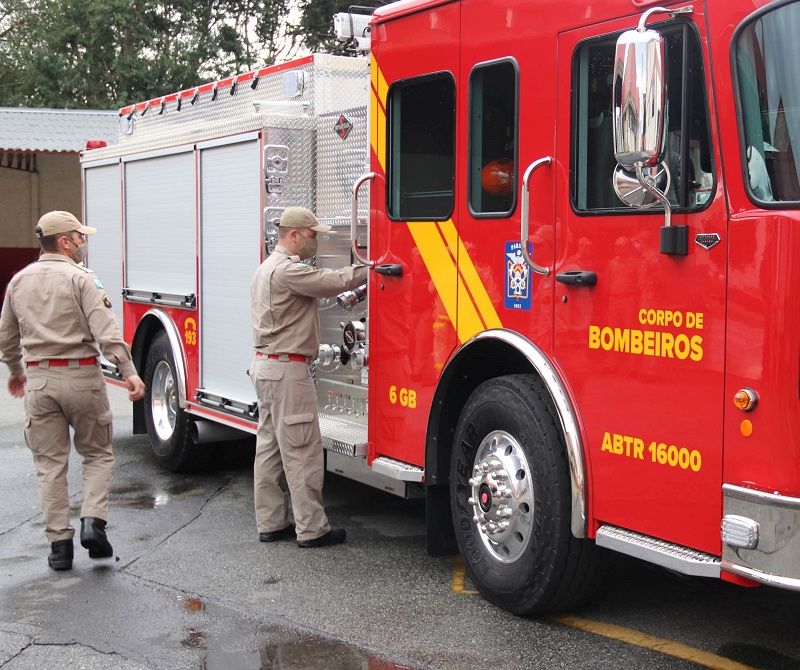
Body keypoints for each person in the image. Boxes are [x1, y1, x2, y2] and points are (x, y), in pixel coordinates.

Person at [0, 211, 146, 571]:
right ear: (64, 241)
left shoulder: (18, 281)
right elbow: (106, 331)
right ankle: (93, 523)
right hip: (81, 376)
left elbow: (7, 335)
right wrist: (129, 372)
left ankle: (59, 548)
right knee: (97, 454)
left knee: (50, 466)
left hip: (40, 380)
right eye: (79, 237)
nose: (83, 243)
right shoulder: (83, 279)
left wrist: (16, 370)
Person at [250, 207, 368, 548]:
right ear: (295, 235)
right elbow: (333, 282)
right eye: (313, 234)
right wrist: (369, 268)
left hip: (267, 366)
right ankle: (312, 529)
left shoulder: (265, 269)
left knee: (270, 449)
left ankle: (272, 523)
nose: (317, 240)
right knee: (302, 450)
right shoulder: (288, 271)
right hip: (287, 371)